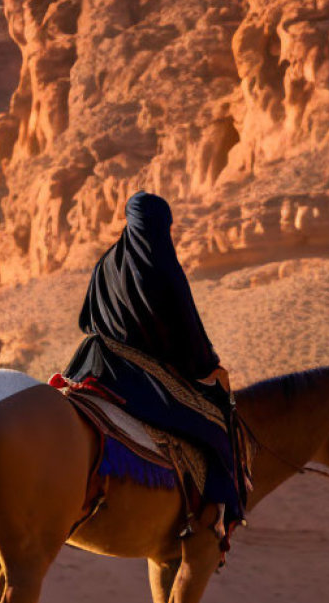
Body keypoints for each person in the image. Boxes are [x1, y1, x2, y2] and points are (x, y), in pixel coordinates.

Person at [61, 191, 247, 534]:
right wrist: (209, 367)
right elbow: (187, 326)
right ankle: (216, 518)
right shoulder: (161, 260)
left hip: (92, 363)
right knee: (214, 423)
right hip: (135, 371)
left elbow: (85, 318)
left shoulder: (106, 261)